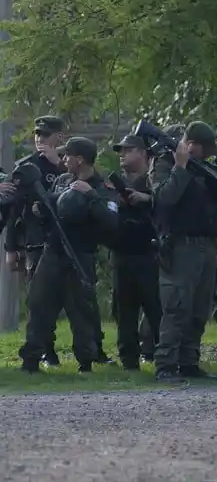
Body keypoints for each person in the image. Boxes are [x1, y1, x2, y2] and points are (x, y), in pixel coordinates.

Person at [18, 137, 119, 373]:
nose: (63, 160)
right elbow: (50, 208)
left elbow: (112, 221)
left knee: (80, 311)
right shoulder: (63, 181)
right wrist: (41, 209)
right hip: (53, 252)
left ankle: (85, 361)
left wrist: (91, 196)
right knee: (38, 304)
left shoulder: (103, 187)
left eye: (67, 156)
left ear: (80, 159)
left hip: (80, 256)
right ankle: (31, 359)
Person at [151, 121, 217, 383]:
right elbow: (164, 198)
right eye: (203, 149)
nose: (207, 154)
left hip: (206, 245)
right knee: (177, 307)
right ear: (191, 145)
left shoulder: (205, 169)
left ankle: (189, 362)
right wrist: (180, 166)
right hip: (180, 245)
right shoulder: (165, 164)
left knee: (199, 308)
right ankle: (166, 365)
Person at [4, 116, 70, 366]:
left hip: (68, 241)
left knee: (71, 298)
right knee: (39, 300)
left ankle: (88, 351)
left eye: (45, 135)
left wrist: (58, 165)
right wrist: (11, 248)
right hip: (36, 242)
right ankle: (45, 350)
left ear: (58, 137)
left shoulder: (71, 161)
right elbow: (14, 210)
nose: (40, 139)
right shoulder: (25, 166)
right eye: (37, 134)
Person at [107, 134, 161, 370]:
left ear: (142, 152)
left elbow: (166, 204)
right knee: (125, 312)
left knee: (156, 310)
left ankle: (164, 358)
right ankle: (129, 361)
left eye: (128, 150)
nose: (122, 155)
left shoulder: (155, 182)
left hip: (150, 255)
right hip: (122, 255)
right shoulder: (114, 184)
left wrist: (145, 199)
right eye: (121, 151)